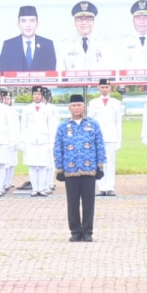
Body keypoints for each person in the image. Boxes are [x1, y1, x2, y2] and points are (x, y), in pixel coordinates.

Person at [54, 94, 107, 242]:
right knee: (72, 203)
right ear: (69, 108)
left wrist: (100, 166)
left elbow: (100, 144)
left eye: (79, 105)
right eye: (74, 105)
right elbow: (58, 147)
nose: (77, 108)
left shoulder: (93, 124)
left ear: (84, 107)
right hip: (70, 170)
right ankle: (75, 231)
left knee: (89, 202)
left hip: (89, 168)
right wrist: (59, 168)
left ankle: (88, 231)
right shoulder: (63, 126)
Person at [20, 85, 60, 197]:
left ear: (42, 96)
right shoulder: (27, 108)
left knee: (42, 165)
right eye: (35, 94)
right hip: (30, 140)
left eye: (39, 94)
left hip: (44, 140)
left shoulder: (48, 109)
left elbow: (51, 126)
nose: (37, 96)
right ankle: (35, 188)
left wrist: (51, 142)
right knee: (32, 166)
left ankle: (42, 188)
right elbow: (23, 125)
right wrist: (22, 141)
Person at [85, 79, 123, 196]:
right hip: (97, 137)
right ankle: (101, 187)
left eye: (107, 87)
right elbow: (89, 123)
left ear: (110, 88)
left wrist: (118, 140)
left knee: (110, 163)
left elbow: (118, 123)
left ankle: (110, 187)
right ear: (98, 88)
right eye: (102, 87)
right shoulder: (93, 103)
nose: (104, 89)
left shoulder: (116, 103)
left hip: (111, 137)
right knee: (99, 163)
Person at [56, 2, 113, 74]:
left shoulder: (105, 44)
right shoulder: (65, 45)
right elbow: (59, 75)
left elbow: (111, 74)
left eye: (89, 19)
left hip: (98, 85)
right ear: (74, 22)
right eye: (80, 19)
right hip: (73, 85)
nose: (84, 23)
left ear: (94, 21)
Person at [0, 6, 57, 72]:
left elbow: (51, 72)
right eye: (23, 21)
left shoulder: (47, 45)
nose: (28, 25)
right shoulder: (9, 45)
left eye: (32, 21)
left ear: (37, 24)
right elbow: (3, 72)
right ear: (18, 24)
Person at [119, 0, 147, 69]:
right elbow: (121, 68)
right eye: (138, 18)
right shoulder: (125, 42)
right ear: (133, 21)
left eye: (146, 18)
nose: (142, 21)